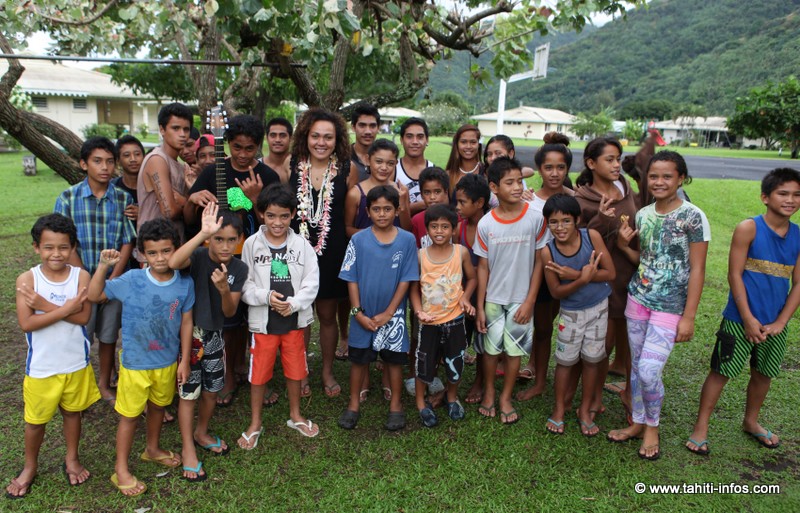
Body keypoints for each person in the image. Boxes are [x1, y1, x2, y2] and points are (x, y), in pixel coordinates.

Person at [687, 168, 800, 455]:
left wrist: (781, 322)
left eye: (796, 194)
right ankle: (701, 427)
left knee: (764, 374)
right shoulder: (749, 228)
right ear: (765, 197)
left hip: (775, 324)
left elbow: (797, 284)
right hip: (739, 319)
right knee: (721, 371)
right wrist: (748, 319)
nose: (790, 200)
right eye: (782, 193)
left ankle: (751, 422)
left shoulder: (798, 236)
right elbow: (734, 275)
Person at [608, 151, 709, 461]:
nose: (660, 182)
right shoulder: (644, 214)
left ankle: (652, 426)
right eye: (654, 176)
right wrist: (624, 246)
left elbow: (697, 269)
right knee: (637, 368)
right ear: (646, 180)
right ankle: (637, 422)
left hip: (670, 308)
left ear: (681, 178)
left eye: (667, 176)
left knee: (650, 370)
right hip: (638, 300)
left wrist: (688, 317)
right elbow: (648, 261)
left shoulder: (693, 216)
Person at [88, 219, 194, 495]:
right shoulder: (133, 279)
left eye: (166, 251)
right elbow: (94, 294)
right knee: (130, 416)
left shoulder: (185, 283)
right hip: (136, 364)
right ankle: (120, 469)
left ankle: (152, 448)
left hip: (168, 362)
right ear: (141, 254)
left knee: (159, 406)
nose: (160, 259)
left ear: (177, 249)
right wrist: (103, 267)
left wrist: (183, 360)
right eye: (153, 253)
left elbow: (186, 322)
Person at [185, 114, 280, 407]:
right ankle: (226, 374)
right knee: (224, 319)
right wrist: (192, 199)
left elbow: (275, 223)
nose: (242, 154)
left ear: (258, 146)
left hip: (254, 257)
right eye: (236, 147)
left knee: (251, 318)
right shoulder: (213, 172)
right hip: (216, 256)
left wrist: (254, 200)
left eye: (249, 148)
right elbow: (190, 221)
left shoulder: (268, 176)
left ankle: (247, 368)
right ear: (227, 144)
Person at [5, 215, 97, 499]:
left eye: (63, 247)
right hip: (42, 367)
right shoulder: (27, 279)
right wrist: (64, 308)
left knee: (72, 413)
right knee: (35, 421)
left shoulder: (81, 276)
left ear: (73, 248)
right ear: (36, 247)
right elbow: (27, 323)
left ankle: (71, 459)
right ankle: (30, 466)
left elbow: (83, 317)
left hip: (75, 364)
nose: (55, 254)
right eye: (48, 247)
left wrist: (45, 306)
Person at [54, 136, 136, 407]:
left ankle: (104, 384)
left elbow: (127, 241)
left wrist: (112, 279)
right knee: (81, 334)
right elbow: (65, 243)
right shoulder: (68, 198)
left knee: (110, 334)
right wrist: (88, 281)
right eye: (97, 161)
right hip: (80, 281)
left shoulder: (122, 198)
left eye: (110, 162)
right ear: (83, 164)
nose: (105, 167)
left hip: (113, 281)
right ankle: (80, 386)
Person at [168, 204, 248, 479]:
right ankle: (188, 447)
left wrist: (225, 289)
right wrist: (202, 232)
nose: (224, 246)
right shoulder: (200, 257)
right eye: (218, 239)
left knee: (212, 391)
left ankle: (201, 432)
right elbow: (173, 263)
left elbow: (229, 312)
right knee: (188, 394)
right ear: (208, 239)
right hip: (190, 336)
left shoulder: (239, 268)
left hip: (215, 336)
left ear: (239, 240)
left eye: (230, 240)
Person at [239, 185, 321, 447]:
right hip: (263, 325)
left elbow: (312, 282)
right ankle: (255, 423)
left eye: (284, 216)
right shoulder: (251, 245)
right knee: (259, 373)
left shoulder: (302, 245)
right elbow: (245, 284)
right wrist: (265, 297)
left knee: (296, 370)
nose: (277, 222)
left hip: (293, 323)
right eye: (271, 215)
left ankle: (296, 415)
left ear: (293, 214)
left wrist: (294, 304)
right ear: (262, 214)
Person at [338, 186, 419, 431]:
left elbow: (406, 279)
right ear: (367, 211)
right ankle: (353, 405)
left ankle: (396, 406)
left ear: (397, 210)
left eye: (387, 209)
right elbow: (351, 278)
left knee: (394, 362)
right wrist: (357, 313)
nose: (382, 214)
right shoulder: (358, 239)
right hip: (362, 315)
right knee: (359, 361)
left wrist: (390, 312)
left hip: (393, 317)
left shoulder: (407, 240)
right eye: (376, 209)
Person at [290, 108, 358, 399]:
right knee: (301, 315)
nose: (321, 142)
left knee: (328, 315)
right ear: (305, 136)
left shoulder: (347, 168)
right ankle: (301, 370)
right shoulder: (292, 166)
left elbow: (352, 210)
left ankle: (327, 371)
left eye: (328, 137)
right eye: (315, 135)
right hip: (297, 251)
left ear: (337, 139)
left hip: (332, 251)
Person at [474, 157, 546, 424]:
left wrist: (530, 301)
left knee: (514, 351)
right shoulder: (486, 224)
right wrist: (480, 305)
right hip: (493, 299)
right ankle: (490, 392)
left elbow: (540, 261)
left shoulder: (535, 218)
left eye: (519, 181)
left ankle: (506, 397)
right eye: (510, 183)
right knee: (491, 351)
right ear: (494, 186)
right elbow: (482, 267)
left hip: (520, 300)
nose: (517, 187)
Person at [574, 137, 640, 420]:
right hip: (604, 278)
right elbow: (578, 241)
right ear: (591, 163)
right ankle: (593, 396)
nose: (616, 165)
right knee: (604, 341)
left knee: (627, 330)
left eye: (618, 158)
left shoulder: (626, 188)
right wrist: (601, 219)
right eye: (609, 159)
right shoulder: (582, 199)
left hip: (631, 273)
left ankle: (620, 381)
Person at [540, 194, 615, 436]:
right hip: (570, 314)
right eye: (553, 222)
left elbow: (610, 272)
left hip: (598, 309)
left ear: (577, 220)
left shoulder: (591, 237)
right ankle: (559, 409)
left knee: (593, 360)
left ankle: (585, 410)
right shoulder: (548, 252)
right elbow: (556, 291)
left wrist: (576, 276)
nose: (560, 228)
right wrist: (581, 278)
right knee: (565, 362)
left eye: (566, 221)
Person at [517, 132, 576, 398]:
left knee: (563, 327)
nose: (554, 173)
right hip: (538, 275)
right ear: (539, 169)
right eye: (548, 167)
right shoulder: (528, 202)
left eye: (560, 167)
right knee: (543, 328)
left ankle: (557, 374)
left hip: (570, 275)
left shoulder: (576, 200)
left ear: (568, 169)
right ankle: (539, 379)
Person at [409, 204, 477, 427]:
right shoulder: (420, 256)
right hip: (428, 323)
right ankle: (421, 403)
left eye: (445, 227)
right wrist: (419, 311)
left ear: (454, 229)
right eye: (434, 226)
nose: (439, 231)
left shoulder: (461, 252)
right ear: (427, 229)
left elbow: (473, 278)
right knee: (424, 364)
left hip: (456, 320)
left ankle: (451, 397)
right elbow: (414, 289)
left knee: (455, 361)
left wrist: (466, 298)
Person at [454, 174, 491, 404]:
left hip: (489, 294)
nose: (457, 207)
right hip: (464, 295)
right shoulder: (459, 228)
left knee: (484, 343)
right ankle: (452, 382)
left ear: (479, 203)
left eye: (462, 203)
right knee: (459, 339)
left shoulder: (492, 225)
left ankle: (480, 382)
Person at [137, 102, 193, 242]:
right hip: (154, 248)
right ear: (162, 129)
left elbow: (188, 216)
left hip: (176, 246)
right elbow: (169, 211)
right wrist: (187, 202)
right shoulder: (157, 159)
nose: (182, 135)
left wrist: (183, 201)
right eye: (175, 128)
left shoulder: (181, 166)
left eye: (186, 129)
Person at [344, 139, 411, 238]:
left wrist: (402, 205)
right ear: (368, 160)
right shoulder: (355, 194)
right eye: (379, 162)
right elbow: (348, 228)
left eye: (390, 163)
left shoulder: (401, 191)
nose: (384, 167)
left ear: (396, 163)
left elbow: (407, 228)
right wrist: (374, 236)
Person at [395, 117, 435, 215]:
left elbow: (442, 203)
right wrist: (423, 204)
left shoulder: (433, 169)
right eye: (409, 136)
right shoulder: (392, 169)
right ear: (401, 140)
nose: (415, 142)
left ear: (427, 140)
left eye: (420, 136)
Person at [411, 167, 450, 249]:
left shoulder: (456, 218)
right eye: (427, 192)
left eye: (437, 192)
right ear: (421, 194)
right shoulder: (416, 220)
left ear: (446, 192)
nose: (432, 197)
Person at [445, 124, 484, 199]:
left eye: (473, 142)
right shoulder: (448, 175)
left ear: (478, 144)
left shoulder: (486, 172)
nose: (468, 146)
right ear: (457, 144)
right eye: (463, 142)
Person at [113, 135, 144, 224]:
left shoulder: (153, 188)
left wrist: (143, 214)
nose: (133, 159)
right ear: (118, 161)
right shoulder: (112, 189)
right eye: (127, 155)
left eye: (137, 154)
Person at [350, 102, 380, 182]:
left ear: (378, 128)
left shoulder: (384, 157)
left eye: (372, 126)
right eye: (362, 125)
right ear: (353, 127)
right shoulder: (343, 157)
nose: (368, 131)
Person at [264, 117, 293, 183]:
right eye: (273, 135)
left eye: (282, 135)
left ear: (291, 138)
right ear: (266, 138)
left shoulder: (300, 167)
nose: (277, 140)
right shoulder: (256, 166)